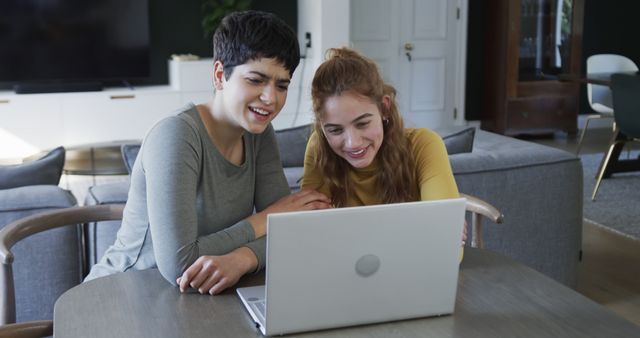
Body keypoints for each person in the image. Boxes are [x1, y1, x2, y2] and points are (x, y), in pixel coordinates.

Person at [85, 11, 330, 295]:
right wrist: (263, 220)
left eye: (282, 85)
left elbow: (285, 231)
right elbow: (179, 263)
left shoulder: (259, 135)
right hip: (121, 292)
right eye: (255, 80)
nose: (270, 98)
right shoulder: (177, 135)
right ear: (219, 76)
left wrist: (243, 258)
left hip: (192, 301)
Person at [301, 47, 466, 241]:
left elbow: (449, 248)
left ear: (385, 108)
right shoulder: (320, 147)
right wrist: (423, 228)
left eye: (362, 123)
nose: (353, 143)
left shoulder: (424, 145)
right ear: (322, 126)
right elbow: (310, 239)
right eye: (335, 130)